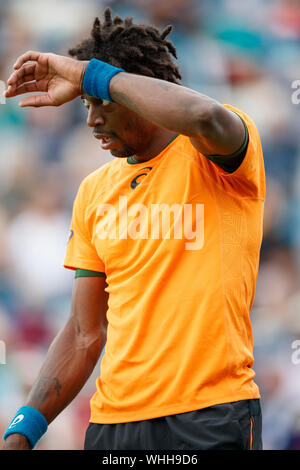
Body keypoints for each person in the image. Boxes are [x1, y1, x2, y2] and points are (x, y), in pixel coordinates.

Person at [2, 8, 264, 450]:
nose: (91, 121)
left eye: (102, 102)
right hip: (114, 425)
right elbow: (86, 334)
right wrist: (23, 429)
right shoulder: (95, 191)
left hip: (210, 415)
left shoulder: (215, 152)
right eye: (87, 105)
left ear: (141, 93)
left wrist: (89, 74)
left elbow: (202, 116)